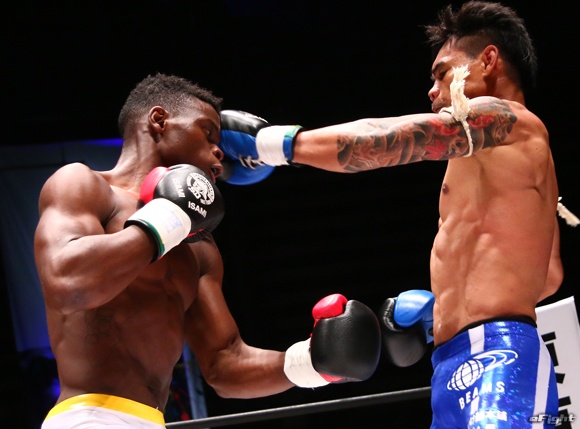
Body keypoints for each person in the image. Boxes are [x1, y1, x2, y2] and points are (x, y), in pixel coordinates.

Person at [217, 1, 566, 427]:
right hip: (452, 362)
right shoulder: (501, 158)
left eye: (442, 73)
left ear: (489, 60)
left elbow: (380, 141)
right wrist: (446, 309)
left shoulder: (508, 122)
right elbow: (548, 276)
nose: (432, 91)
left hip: (502, 358)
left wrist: (274, 146)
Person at [33, 73, 383, 429]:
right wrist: (168, 217)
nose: (220, 152)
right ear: (159, 120)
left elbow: (224, 364)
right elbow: (67, 283)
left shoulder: (198, 247)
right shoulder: (84, 185)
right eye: (208, 133)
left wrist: (311, 362)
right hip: (88, 416)